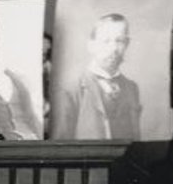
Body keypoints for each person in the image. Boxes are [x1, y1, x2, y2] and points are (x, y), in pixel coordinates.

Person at [55, 13, 142, 141]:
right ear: (91, 45)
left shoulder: (131, 88)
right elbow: (61, 142)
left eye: (120, 41)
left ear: (127, 44)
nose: (113, 48)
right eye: (106, 41)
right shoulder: (71, 88)